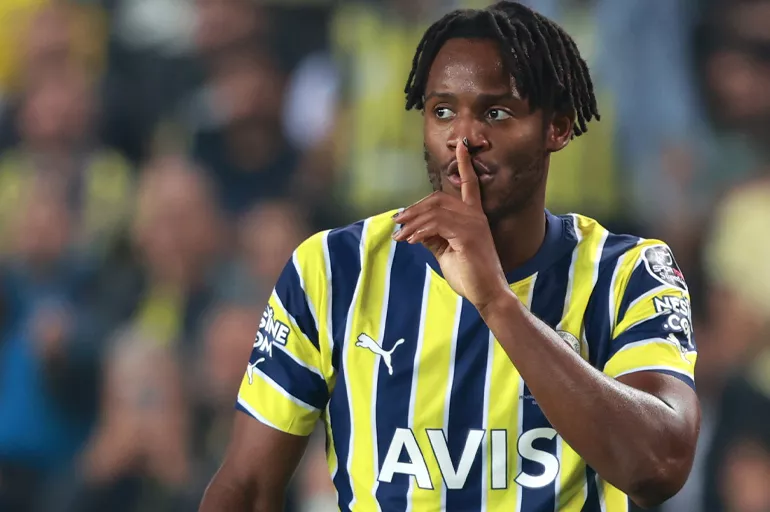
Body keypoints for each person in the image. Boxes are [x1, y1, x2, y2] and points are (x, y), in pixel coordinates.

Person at [199, 2, 701, 511]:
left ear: (557, 128)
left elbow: (658, 467)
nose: (464, 138)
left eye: (496, 113)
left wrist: (497, 303)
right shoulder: (334, 269)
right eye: (442, 111)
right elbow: (247, 487)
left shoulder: (629, 274)